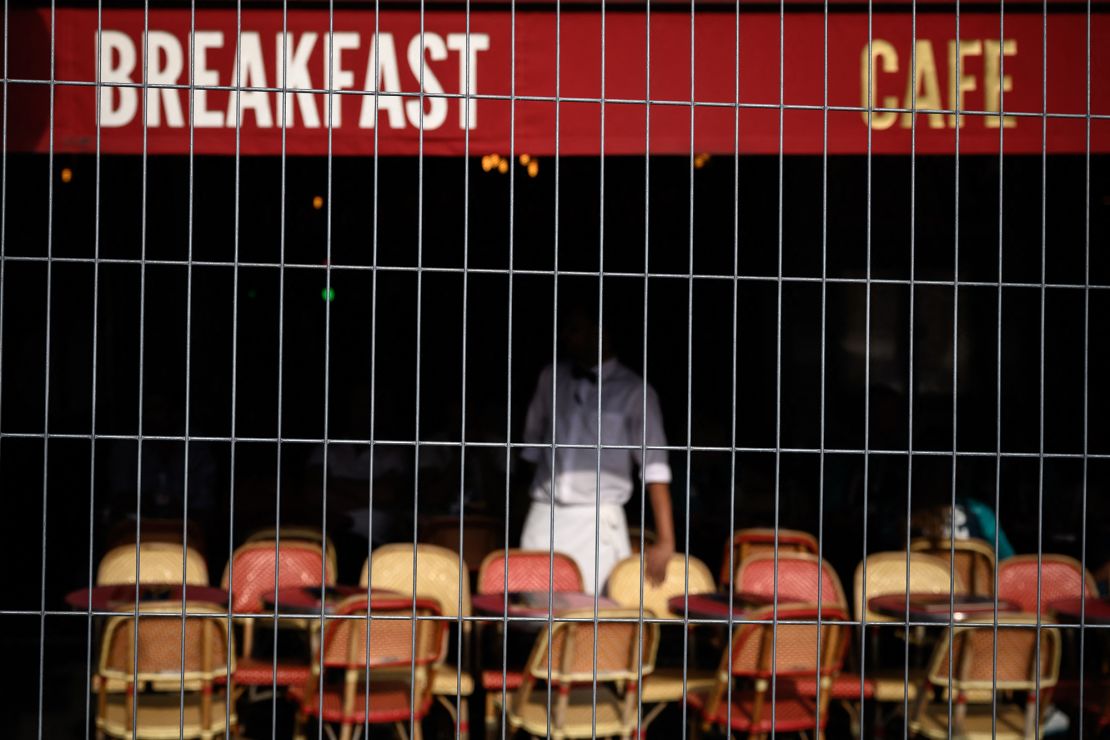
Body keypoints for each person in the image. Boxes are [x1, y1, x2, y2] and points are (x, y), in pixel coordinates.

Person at [517, 303, 676, 594]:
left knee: (591, 620)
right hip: (544, 516)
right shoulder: (550, 378)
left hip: (597, 523)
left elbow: (655, 467)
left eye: (575, 330)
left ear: (600, 333)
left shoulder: (635, 392)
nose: (565, 336)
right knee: (531, 613)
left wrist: (666, 540)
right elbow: (531, 449)